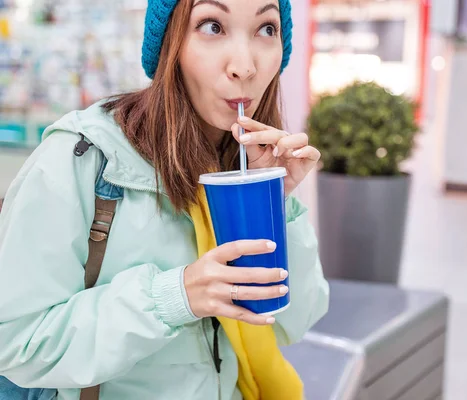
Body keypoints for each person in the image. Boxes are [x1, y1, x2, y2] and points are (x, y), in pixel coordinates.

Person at [0, 0, 329, 399]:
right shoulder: (85, 158)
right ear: (169, 43)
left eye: (266, 29)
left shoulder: (252, 161)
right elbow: (17, 342)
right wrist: (175, 296)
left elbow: (296, 322)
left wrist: (278, 206)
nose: (244, 65)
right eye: (212, 26)